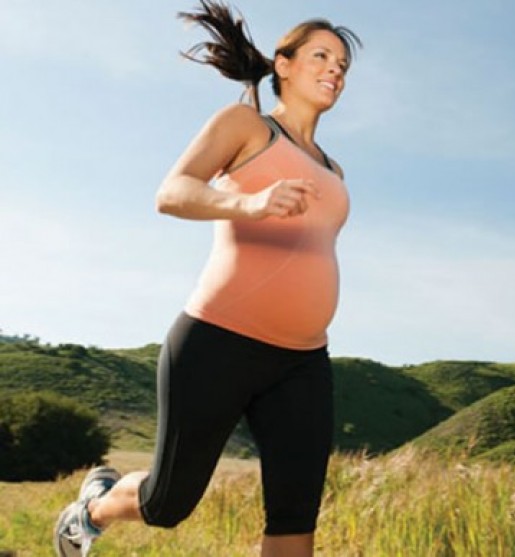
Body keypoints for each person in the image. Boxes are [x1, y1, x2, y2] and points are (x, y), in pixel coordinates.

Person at [53, 2, 361, 555]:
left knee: (296, 517)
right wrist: (249, 201)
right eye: (322, 56)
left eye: (343, 64)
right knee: (168, 503)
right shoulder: (245, 125)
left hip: (303, 361)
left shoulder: (335, 170)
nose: (336, 69)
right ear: (283, 66)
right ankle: (93, 508)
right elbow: (172, 193)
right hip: (217, 341)